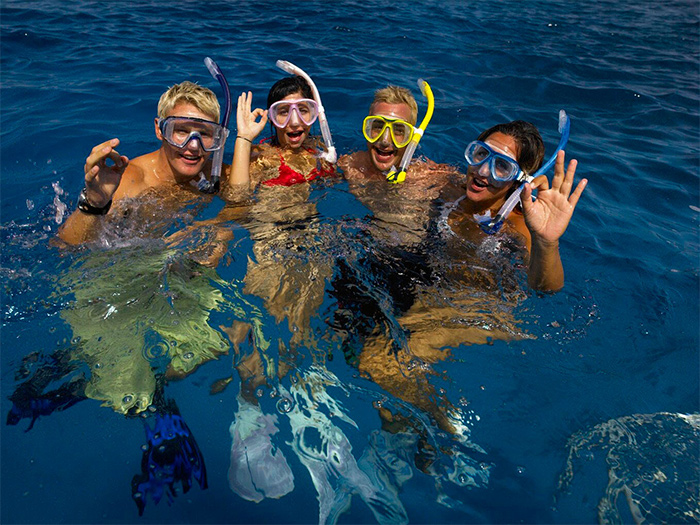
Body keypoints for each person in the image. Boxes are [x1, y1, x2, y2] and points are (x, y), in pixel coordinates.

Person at [58, 79, 231, 245]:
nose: (194, 146)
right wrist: (94, 203)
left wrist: (245, 137)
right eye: (181, 131)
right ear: (159, 129)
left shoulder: (215, 175)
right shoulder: (132, 180)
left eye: (205, 134)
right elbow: (65, 244)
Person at [446, 118, 587, 292]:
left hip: (477, 305)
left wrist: (546, 242)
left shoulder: (518, 227)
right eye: (482, 153)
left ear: (519, 179)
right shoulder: (447, 186)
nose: (482, 171)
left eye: (502, 165)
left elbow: (546, 289)